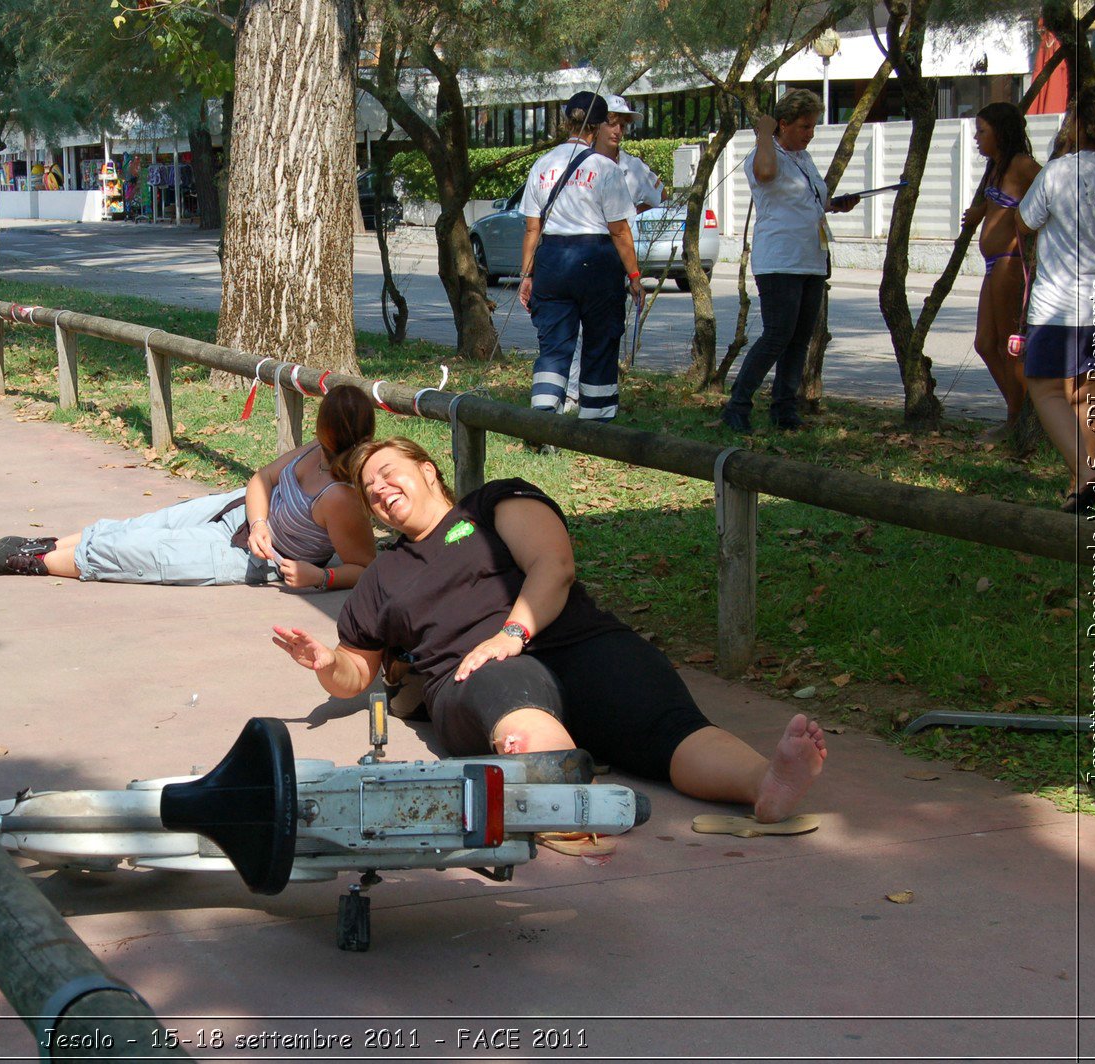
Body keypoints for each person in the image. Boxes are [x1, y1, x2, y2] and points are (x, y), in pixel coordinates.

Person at [273, 437, 827, 825]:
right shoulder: (382, 576)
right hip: (473, 676)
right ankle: (569, 807)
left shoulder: (493, 502)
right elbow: (355, 673)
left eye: (387, 472)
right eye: (368, 489)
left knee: (667, 726)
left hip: (575, 641)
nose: (378, 489)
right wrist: (327, 665)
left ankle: (765, 782)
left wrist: (511, 632)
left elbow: (553, 566)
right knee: (513, 702)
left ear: (426, 469)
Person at [0, 384, 377, 588]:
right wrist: (258, 523)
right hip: (240, 514)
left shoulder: (341, 496)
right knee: (144, 526)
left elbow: (364, 567)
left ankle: (39, 564)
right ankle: (49, 545)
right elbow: (262, 478)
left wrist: (320, 577)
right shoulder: (315, 450)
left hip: (258, 559)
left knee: (145, 555)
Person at [721, 90, 860, 434]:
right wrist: (764, 133)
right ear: (783, 124)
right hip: (779, 261)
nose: (809, 134)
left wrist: (835, 205)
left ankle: (784, 409)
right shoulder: (766, 153)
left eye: (812, 127)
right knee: (777, 336)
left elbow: (806, 201)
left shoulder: (804, 158)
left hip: (811, 259)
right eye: (803, 127)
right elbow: (766, 176)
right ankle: (737, 404)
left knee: (799, 340)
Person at [518, 90, 645, 423]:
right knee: (600, 343)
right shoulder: (605, 168)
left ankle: (543, 422)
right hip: (597, 260)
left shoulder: (541, 165)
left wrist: (526, 276)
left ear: (566, 121)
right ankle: (596, 421)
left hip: (551, 260)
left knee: (555, 348)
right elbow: (619, 231)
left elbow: (533, 229)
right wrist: (634, 276)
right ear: (598, 125)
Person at [1017, 88, 1095, 513]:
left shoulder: (1058, 172)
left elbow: (1024, 221)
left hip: (1059, 302)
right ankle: (1081, 487)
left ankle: (1088, 475)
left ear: (1075, 124)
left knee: (1045, 389)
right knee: (1091, 396)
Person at [563, 93, 664, 412]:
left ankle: (599, 399)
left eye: (622, 124)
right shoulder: (578, 161)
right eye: (611, 122)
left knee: (606, 332)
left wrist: (628, 213)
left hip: (614, 260)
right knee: (575, 330)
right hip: (578, 257)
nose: (618, 130)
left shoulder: (633, 167)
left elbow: (658, 198)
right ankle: (570, 394)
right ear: (595, 125)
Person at [961, 102, 1040, 438]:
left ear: (1001, 132)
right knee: (984, 342)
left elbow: (1048, 195)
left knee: (1009, 345)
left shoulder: (1022, 165)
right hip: (992, 265)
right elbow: (999, 204)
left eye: (982, 131)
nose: (976, 137)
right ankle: (1017, 413)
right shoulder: (996, 166)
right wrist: (981, 211)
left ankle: (1016, 422)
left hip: (1010, 264)